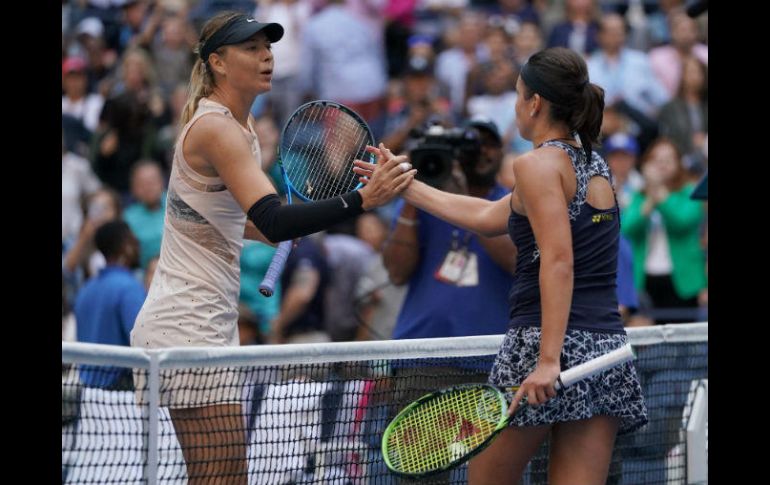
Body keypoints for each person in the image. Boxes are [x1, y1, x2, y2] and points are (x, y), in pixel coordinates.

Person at [129, 11, 415, 484]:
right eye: (251, 48)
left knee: (223, 477)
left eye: (268, 47)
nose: (266, 56)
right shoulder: (218, 128)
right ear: (218, 62)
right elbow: (273, 217)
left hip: (199, 322)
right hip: (186, 322)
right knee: (222, 478)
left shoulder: (236, 130)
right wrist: (361, 199)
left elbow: (234, 222)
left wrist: (276, 228)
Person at [354, 47, 647, 485]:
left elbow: (558, 260)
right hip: (602, 349)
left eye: (517, 95)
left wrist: (548, 360)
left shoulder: (535, 165)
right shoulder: (595, 163)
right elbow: (487, 218)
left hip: (542, 347)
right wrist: (406, 187)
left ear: (534, 103)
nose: (515, 106)